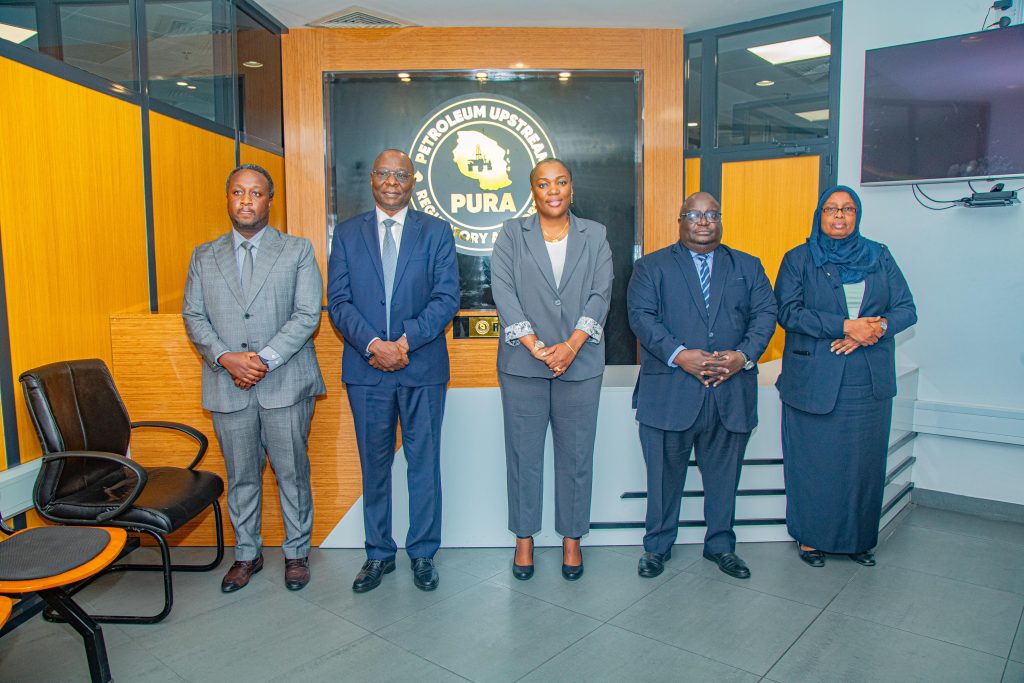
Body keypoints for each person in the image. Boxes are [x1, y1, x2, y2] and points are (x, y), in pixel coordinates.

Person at [183, 164, 325, 593]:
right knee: (241, 475)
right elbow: (193, 316)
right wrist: (227, 358)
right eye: (238, 192)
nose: (246, 201)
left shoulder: (297, 250)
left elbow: (307, 315)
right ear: (228, 198)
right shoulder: (204, 256)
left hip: (285, 384)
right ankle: (247, 554)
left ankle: (296, 553)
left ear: (269, 200)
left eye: (256, 193)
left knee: (292, 473)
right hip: (227, 385)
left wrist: (259, 361)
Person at [327, 149, 460, 593]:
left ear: (413, 181)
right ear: (372, 179)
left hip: (422, 367)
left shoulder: (436, 232)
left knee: (424, 464)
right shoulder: (347, 234)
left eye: (400, 174)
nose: (391, 181)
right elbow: (339, 302)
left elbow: (446, 297)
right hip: (366, 370)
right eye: (383, 173)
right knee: (374, 465)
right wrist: (374, 345)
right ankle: (378, 553)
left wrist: (403, 343)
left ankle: (423, 553)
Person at [628, 192, 776, 580]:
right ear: (680, 221)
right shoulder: (651, 267)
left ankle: (721, 546)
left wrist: (743, 356)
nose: (704, 221)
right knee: (662, 480)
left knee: (725, 480)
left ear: (720, 220)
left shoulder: (748, 266)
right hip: (670, 393)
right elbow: (641, 318)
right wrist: (680, 355)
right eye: (694, 215)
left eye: (711, 214)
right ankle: (657, 546)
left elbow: (766, 315)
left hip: (731, 393)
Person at [775, 185, 916, 567]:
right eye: (831, 209)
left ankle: (859, 540)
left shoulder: (879, 256)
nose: (839, 215)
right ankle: (810, 539)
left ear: (857, 216)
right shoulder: (799, 259)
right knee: (815, 464)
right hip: (814, 380)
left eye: (848, 209)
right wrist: (845, 327)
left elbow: (906, 309)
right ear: (819, 215)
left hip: (867, 383)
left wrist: (876, 329)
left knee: (862, 466)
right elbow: (788, 312)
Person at [491, 158, 613, 582]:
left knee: (576, 456)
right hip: (523, 364)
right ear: (533, 192)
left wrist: (572, 345)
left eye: (561, 182)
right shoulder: (512, 233)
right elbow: (503, 291)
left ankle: (572, 539)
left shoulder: (595, 234)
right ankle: (524, 539)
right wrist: (537, 347)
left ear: (572, 188)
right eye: (544, 184)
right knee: (523, 456)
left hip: (581, 363)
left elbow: (600, 293)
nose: (553, 190)